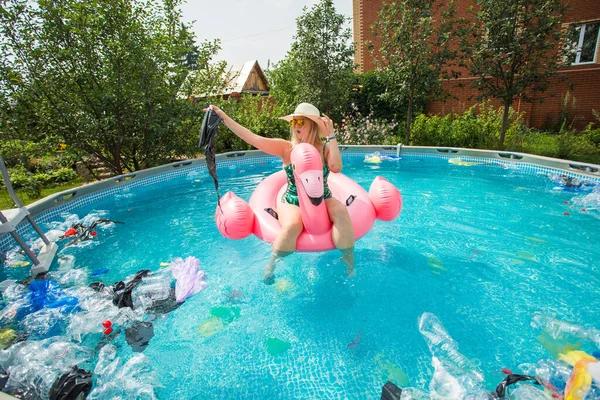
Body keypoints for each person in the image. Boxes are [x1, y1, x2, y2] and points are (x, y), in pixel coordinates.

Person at [204, 103, 355, 283]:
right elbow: (253, 138)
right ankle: (271, 266)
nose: (296, 126)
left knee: (341, 212)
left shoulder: (325, 148)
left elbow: (336, 167)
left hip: (323, 196)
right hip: (292, 198)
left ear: (313, 125)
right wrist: (224, 118)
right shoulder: (287, 148)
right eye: (294, 122)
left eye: (301, 121)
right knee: (292, 225)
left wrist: (331, 135)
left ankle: (348, 261)